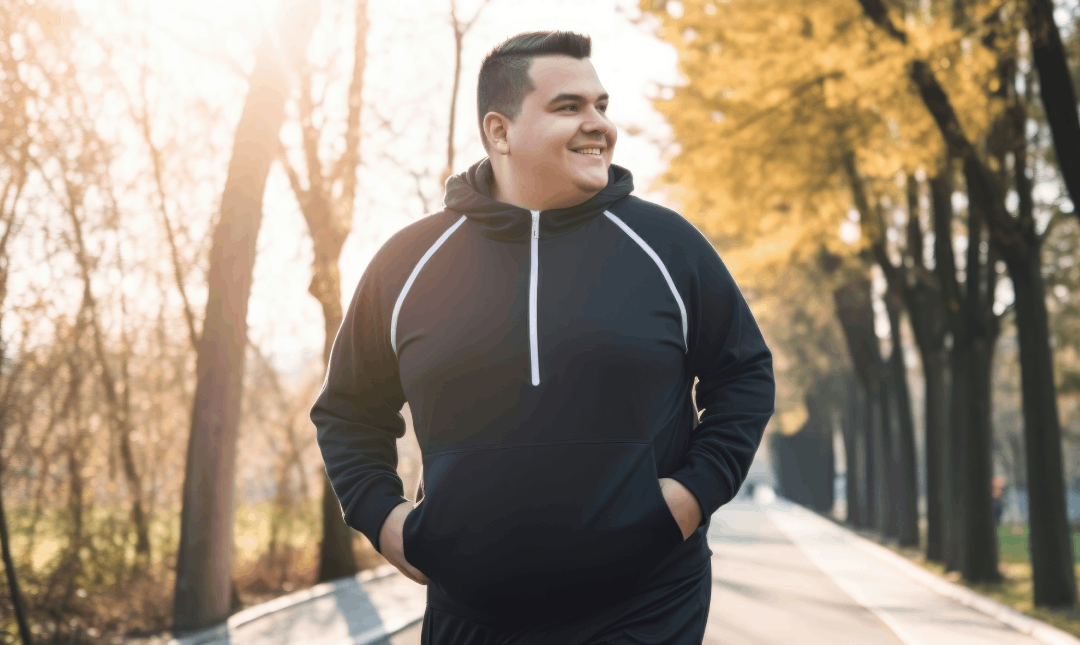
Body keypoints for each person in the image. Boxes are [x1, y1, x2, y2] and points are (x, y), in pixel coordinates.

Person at [311, 30, 775, 644]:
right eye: (569, 108)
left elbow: (743, 374)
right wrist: (385, 520)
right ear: (499, 132)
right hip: (472, 615)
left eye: (601, 106)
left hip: (644, 605)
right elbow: (348, 410)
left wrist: (690, 496)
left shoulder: (668, 248)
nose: (599, 125)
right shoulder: (409, 262)